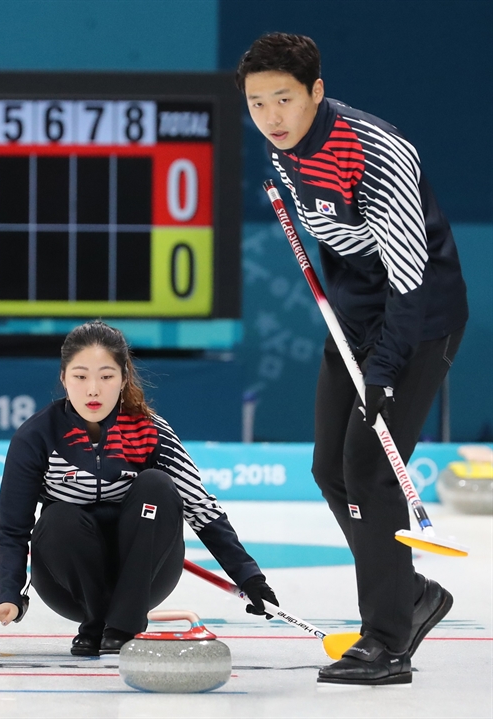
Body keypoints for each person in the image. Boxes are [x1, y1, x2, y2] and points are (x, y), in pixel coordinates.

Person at [236, 33, 468, 686]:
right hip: (358, 320)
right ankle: (412, 594)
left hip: (420, 320)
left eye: (284, 98)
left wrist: (385, 370)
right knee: (328, 468)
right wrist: (346, 323)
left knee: (369, 471)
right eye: (257, 103)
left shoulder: (376, 152)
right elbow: (340, 249)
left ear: (316, 91)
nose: (271, 116)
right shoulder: (282, 152)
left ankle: (387, 640)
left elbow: (409, 277)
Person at [0, 320, 277, 656]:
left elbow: (201, 508)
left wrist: (250, 578)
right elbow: (13, 530)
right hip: (67, 585)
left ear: (123, 379)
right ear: (63, 378)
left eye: (105, 376)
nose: (93, 390)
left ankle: (120, 625)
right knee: (58, 517)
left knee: (157, 485)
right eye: (80, 376)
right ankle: (97, 620)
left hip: (146, 578)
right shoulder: (36, 436)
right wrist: (10, 597)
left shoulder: (150, 430)